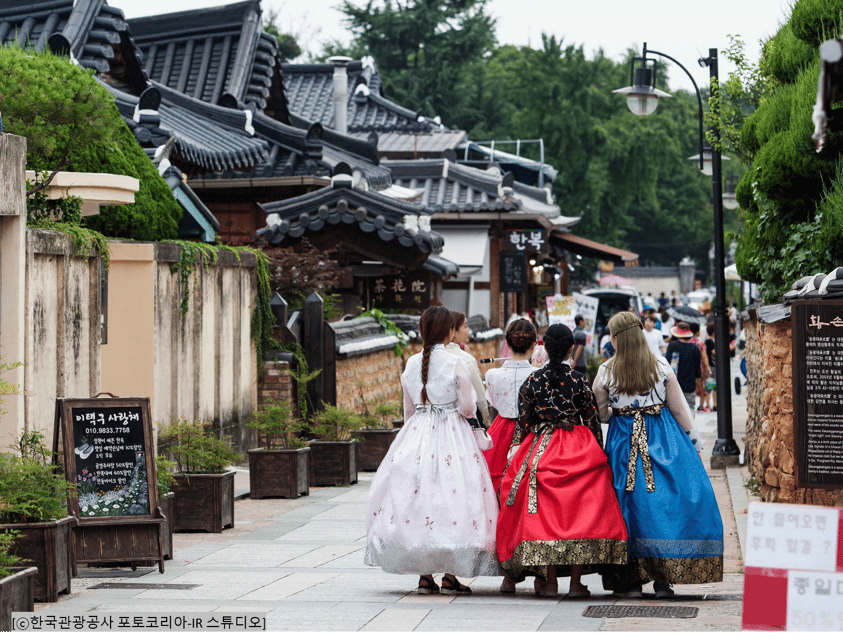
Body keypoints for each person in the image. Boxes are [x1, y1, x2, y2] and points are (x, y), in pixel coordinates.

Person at [365, 306, 499, 594]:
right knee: (454, 498)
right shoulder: (455, 362)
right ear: (449, 331)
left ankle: (425, 575)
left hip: (417, 434)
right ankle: (451, 573)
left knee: (421, 499)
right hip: (453, 435)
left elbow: (409, 410)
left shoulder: (412, 364)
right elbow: (467, 407)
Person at [592, 312, 722, 599]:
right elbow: (678, 409)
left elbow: (601, 415)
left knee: (627, 503)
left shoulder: (606, 371)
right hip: (663, 437)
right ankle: (664, 580)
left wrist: (618, 410)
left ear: (615, 338)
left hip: (624, 441)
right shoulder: (661, 366)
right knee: (665, 502)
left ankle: (631, 581)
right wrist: (695, 440)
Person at [496, 323, 628, 598]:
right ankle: (576, 584)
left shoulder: (532, 381)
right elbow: (592, 420)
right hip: (577, 446)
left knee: (546, 513)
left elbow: (524, 422)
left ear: (544, 347)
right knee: (579, 512)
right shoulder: (579, 380)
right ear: (571, 349)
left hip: (542, 446)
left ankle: (550, 581)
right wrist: (599, 454)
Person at [483, 319, 537, 497]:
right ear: (534, 346)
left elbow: (493, 402)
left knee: (496, 482)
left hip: (500, 430)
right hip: (531, 432)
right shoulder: (539, 376)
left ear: (507, 343)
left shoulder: (492, 375)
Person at [447, 311, 491, 429]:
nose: (469, 330)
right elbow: (479, 395)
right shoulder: (465, 359)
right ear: (453, 332)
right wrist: (486, 419)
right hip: (464, 421)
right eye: (465, 326)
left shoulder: (424, 357)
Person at [665, 322, 702, 418]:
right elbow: (698, 369)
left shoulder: (673, 345)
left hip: (674, 383)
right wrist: (698, 384)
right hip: (690, 384)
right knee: (690, 407)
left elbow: (667, 365)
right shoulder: (695, 348)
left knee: (675, 409)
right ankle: (691, 429)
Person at [703, 321, 717, 411]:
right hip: (711, 366)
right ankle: (708, 404)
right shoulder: (708, 341)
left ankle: (715, 404)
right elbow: (714, 352)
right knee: (709, 385)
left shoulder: (714, 340)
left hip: (715, 366)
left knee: (715, 386)